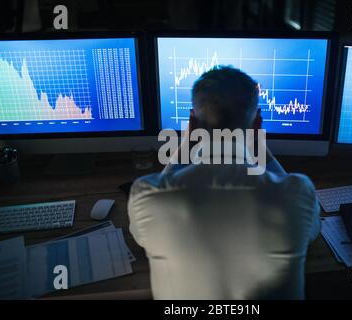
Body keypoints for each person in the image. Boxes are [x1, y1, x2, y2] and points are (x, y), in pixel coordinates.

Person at [128, 66, 320, 299]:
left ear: (193, 125)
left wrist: (187, 142)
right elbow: (312, 231)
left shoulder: (147, 196)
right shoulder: (297, 194)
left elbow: (141, 236)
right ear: (257, 124)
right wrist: (258, 145)